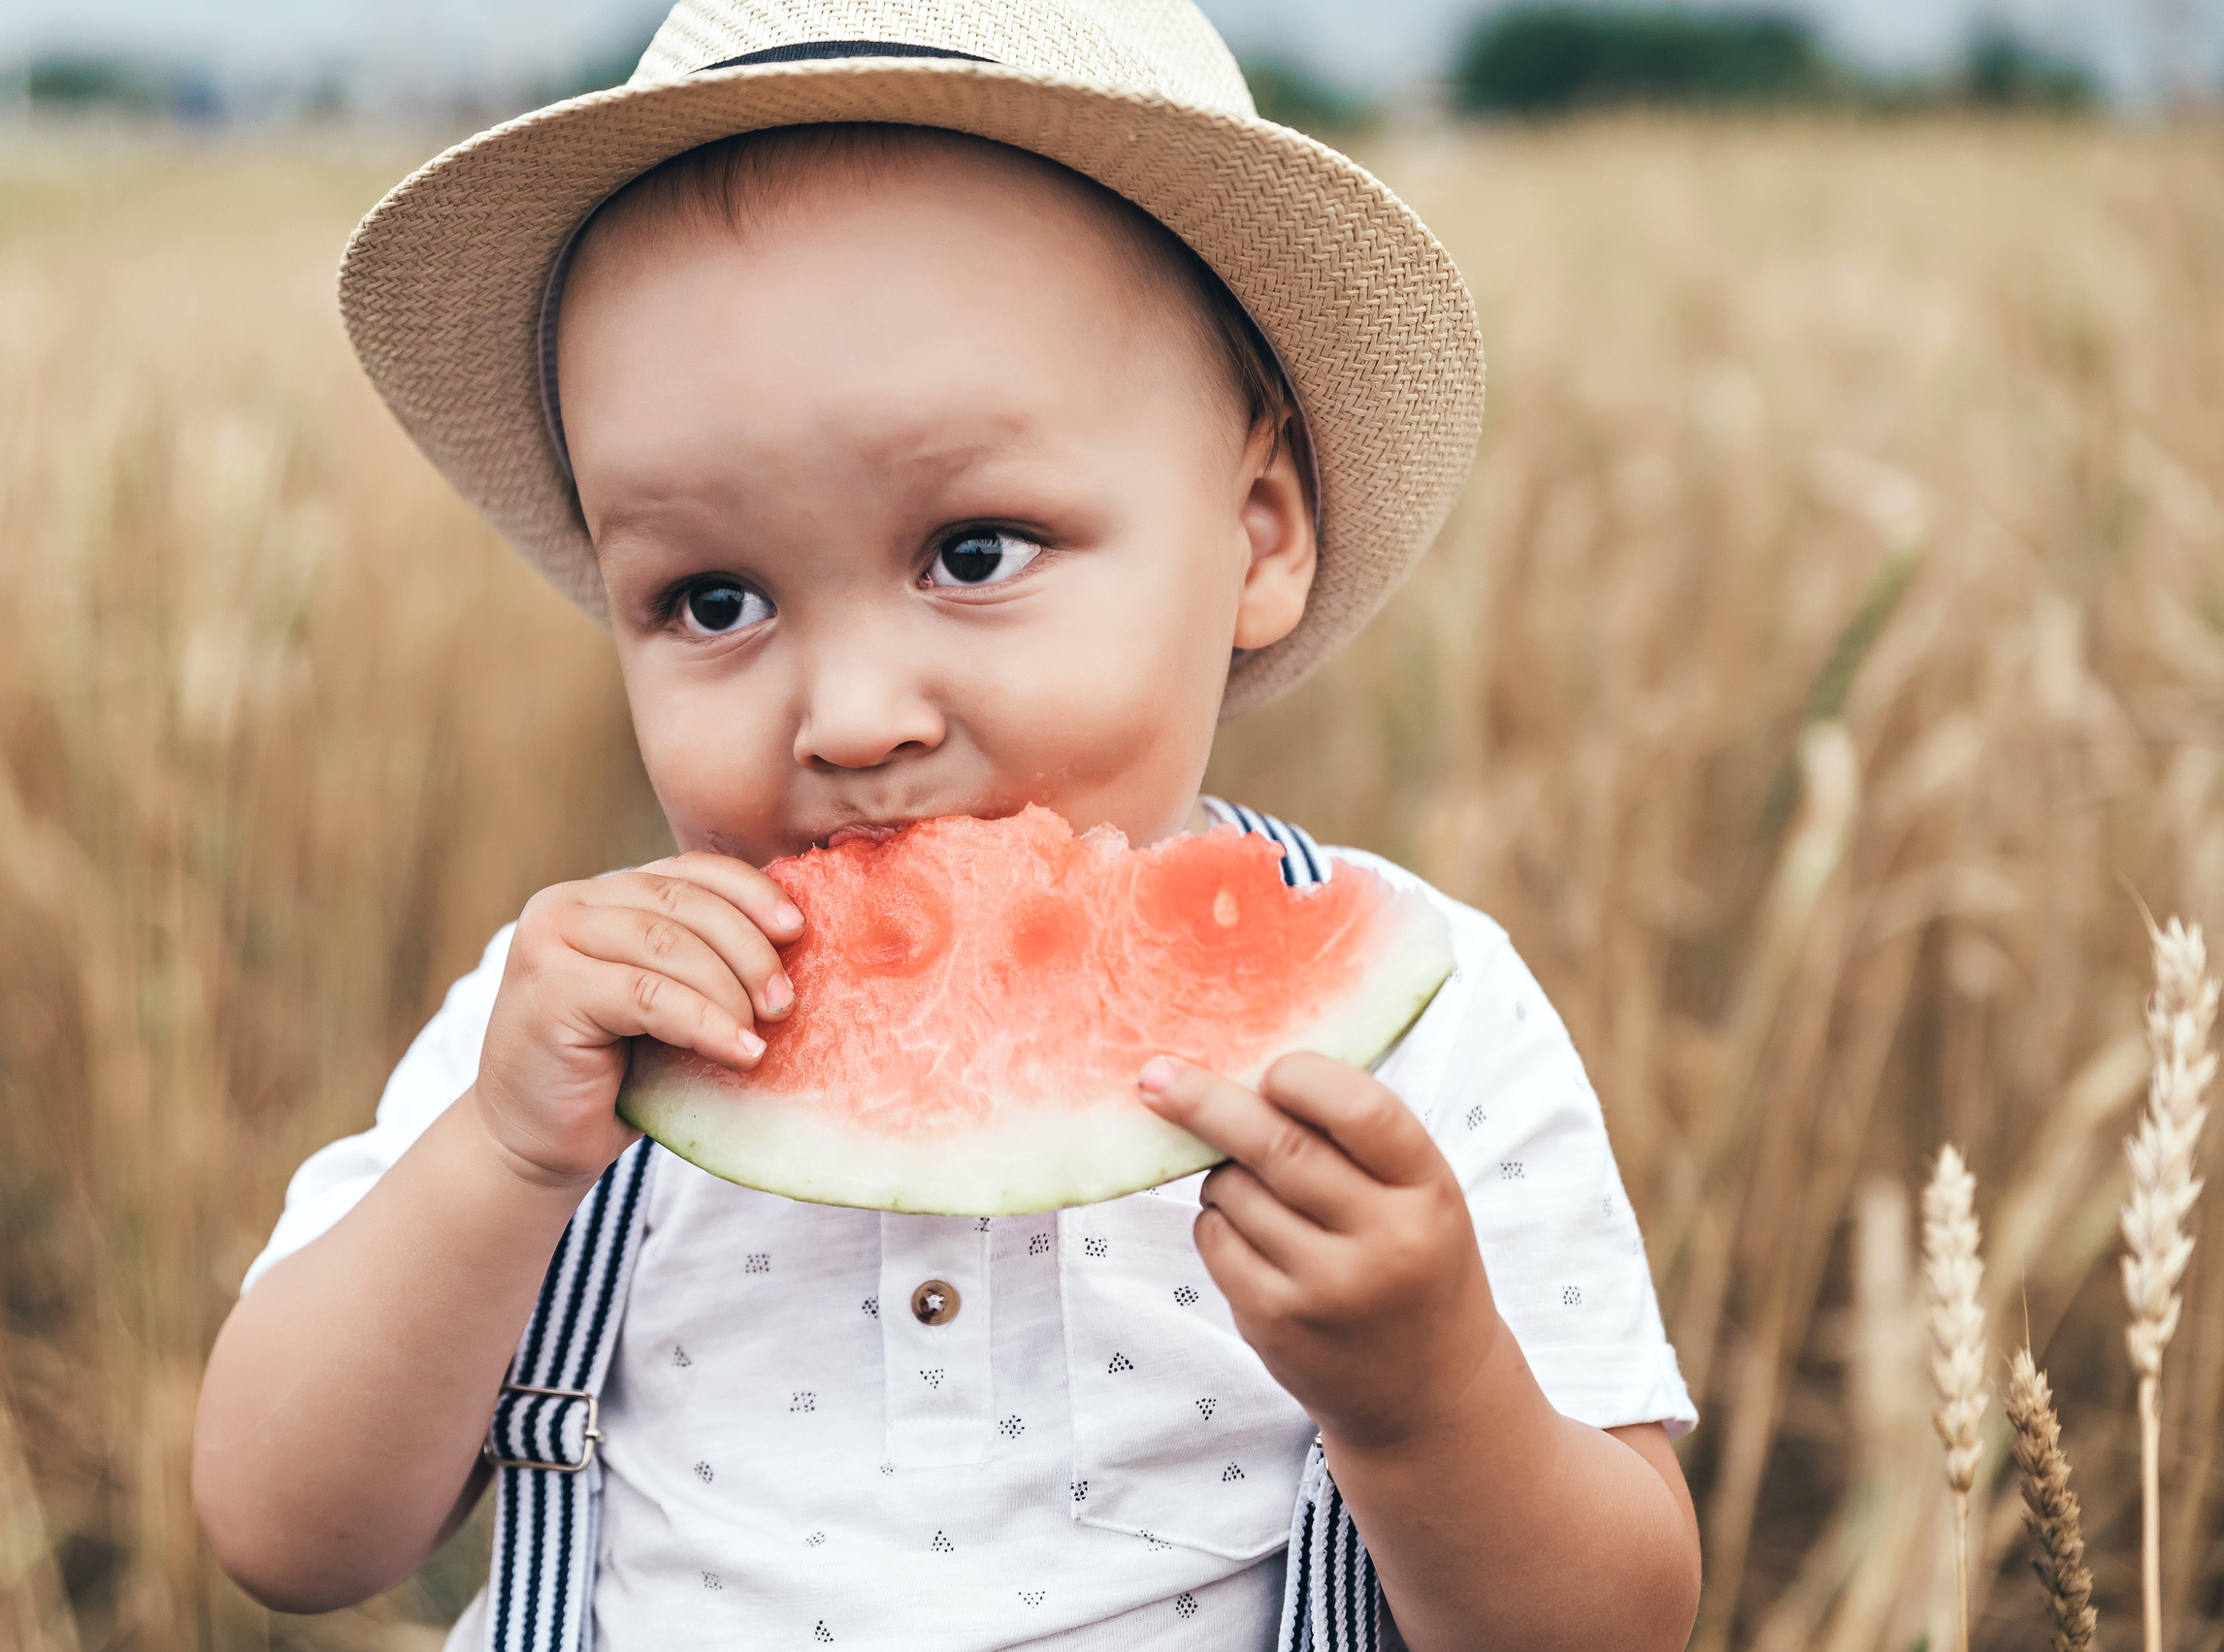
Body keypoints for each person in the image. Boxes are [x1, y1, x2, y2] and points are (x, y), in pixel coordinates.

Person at [193, 3, 1702, 1648]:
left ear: (1257, 534)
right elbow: (286, 1530)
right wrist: (495, 1160)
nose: (849, 714)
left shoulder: (1426, 1028)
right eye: (712, 598)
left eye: (975, 552)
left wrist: (1431, 1401)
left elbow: (1613, 1630)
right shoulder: (571, 1026)